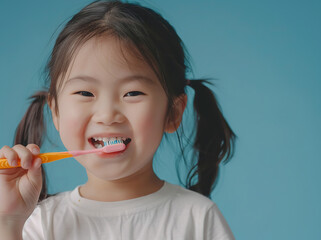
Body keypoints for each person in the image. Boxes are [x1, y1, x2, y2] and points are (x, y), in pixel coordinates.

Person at [0, 1, 236, 239]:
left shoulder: (199, 218)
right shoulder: (39, 223)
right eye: (85, 93)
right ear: (56, 112)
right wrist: (10, 222)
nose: (107, 116)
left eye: (132, 93)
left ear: (173, 113)